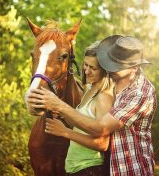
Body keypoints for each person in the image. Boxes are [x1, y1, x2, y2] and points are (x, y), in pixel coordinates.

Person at [27, 35, 157, 176]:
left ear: (134, 67)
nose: (110, 68)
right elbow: (87, 121)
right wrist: (63, 114)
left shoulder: (139, 93)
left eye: (116, 66)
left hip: (129, 167)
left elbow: (101, 129)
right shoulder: (112, 83)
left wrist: (60, 108)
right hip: (111, 166)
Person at [41, 43, 114, 176]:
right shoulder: (88, 89)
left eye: (93, 68)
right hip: (75, 168)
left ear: (105, 70)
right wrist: (63, 115)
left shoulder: (105, 97)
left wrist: (65, 132)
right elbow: (82, 124)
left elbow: (102, 144)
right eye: (85, 65)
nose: (86, 71)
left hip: (90, 169)